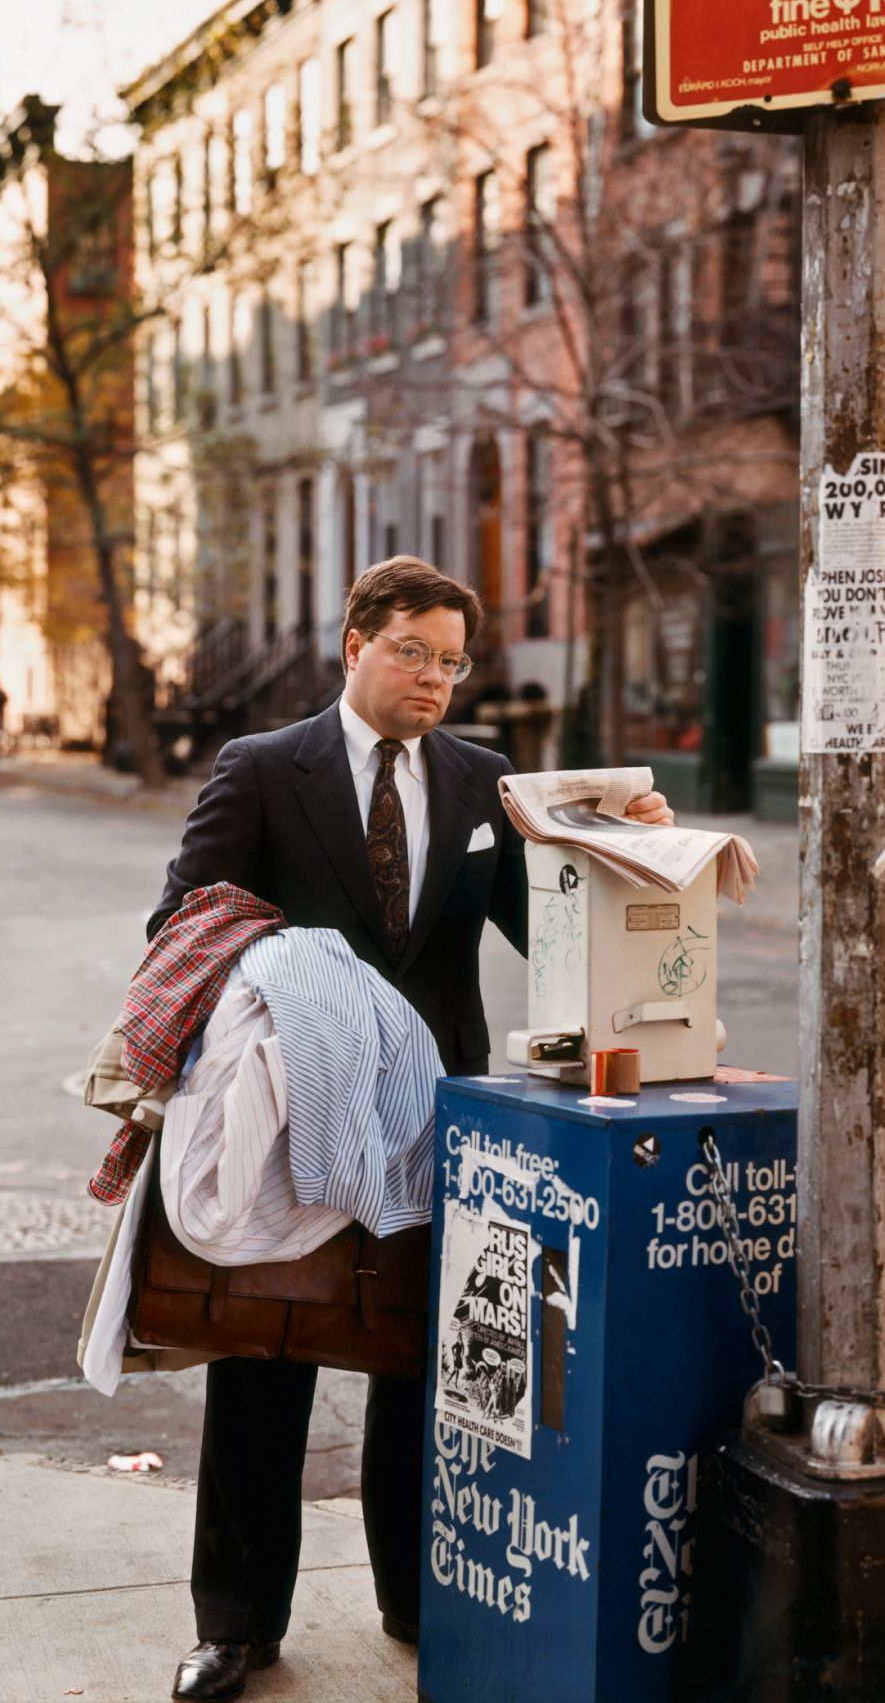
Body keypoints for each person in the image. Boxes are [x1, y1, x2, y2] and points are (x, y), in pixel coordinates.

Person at [150, 557, 672, 1702]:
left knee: (428, 1370)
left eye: (451, 660)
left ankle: (417, 1597)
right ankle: (236, 1625)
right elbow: (183, 924)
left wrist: (633, 850)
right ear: (355, 646)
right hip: (289, 1114)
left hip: (439, 1113)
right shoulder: (263, 771)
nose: (434, 677)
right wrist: (303, 983)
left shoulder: (486, 780)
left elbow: (560, 936)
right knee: (262, 1357)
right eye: (413, 653)